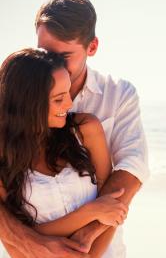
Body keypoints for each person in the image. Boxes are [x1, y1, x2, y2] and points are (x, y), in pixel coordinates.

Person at [0, 0, 149, 258]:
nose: (51, 62)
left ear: (92, 47)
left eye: (63, 55)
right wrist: (27, 241)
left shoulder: (116, 96)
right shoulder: (14, 111)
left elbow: (131, 168)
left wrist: (87, 238)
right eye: (44, 52)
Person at [0, 48, 131, 258]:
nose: (69, 104)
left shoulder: (86, 129)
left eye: (68, 93)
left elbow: (111, 211)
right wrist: (90, 212)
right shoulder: (4, 155)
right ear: (27, 103)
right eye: (58, 99)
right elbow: (24, 237)